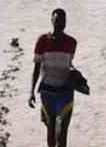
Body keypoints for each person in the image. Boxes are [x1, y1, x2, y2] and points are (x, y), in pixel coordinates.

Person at [30, 9, 78, 147]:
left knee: (63, 132)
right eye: (57, 20)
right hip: (47, 92)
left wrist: (76, 74)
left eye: (62, 21)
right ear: (51, 21)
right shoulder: (42, 40)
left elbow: (68, 64)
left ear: (66, 23)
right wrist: (31, 92)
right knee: (51, 130)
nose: (59, 24)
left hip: (66, 92)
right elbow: (36, 68)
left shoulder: (72, 42)